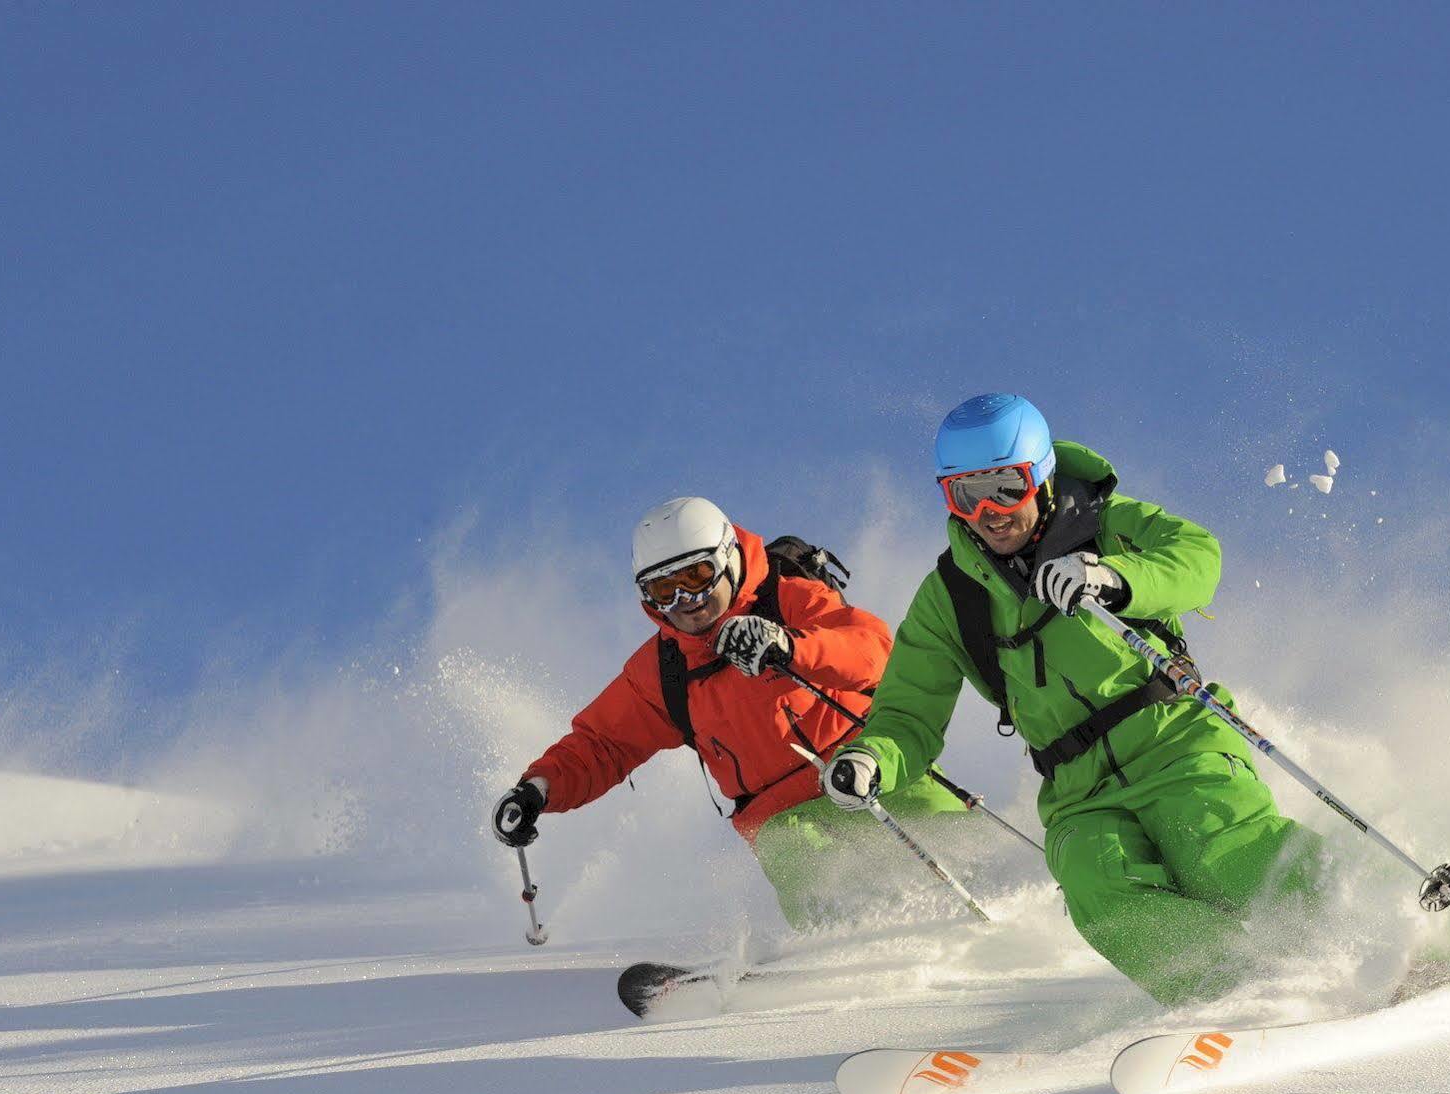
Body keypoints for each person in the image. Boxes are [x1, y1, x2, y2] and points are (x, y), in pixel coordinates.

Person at [817, 393, 1333, 1005]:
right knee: (1096, 886)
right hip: (1077, 791)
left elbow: (1198, 556)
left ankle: (1379, 939)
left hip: (1173, 740)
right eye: (965, 494)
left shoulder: (1105, 523)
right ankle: (1238, 994)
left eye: (1006, 487)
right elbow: (908, 711)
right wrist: (874, 757)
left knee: (1220, 847)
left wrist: (1117, 579)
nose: (989, 511)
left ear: (1040, 474)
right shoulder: (949, 598)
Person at [491, 497, 963, 929]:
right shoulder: (664, 669)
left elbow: (877, 652)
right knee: (795, 857)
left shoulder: (787, 600)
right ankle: (841, 943)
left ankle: (1004, 907)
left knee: (956, 843)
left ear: (727, 561)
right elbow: (603, 743)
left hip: (863, 769)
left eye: (695, 578)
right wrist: (538, 790)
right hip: (781, 818)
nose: (685, 602)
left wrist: (789, 646)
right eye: (663, 589)